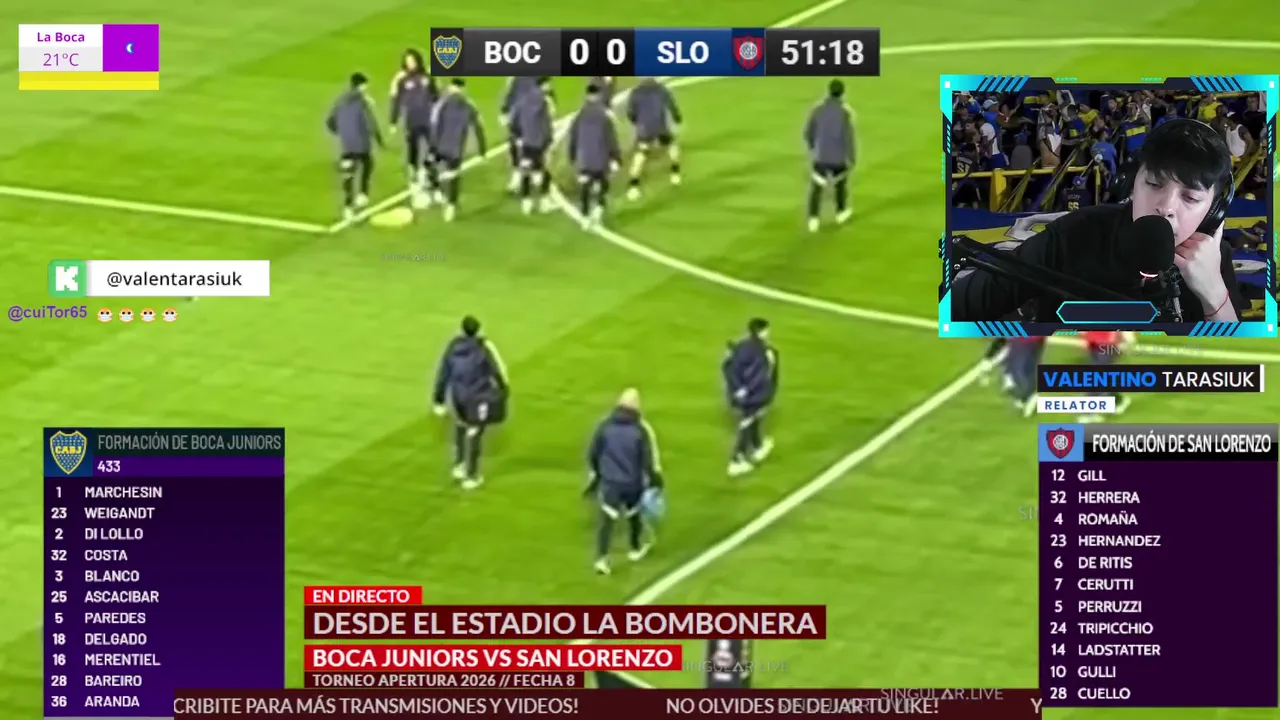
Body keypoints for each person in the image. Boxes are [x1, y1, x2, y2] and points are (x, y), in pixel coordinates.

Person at [950, 119, 1245, 323]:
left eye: (1190, 198)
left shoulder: (1214, 257)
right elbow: (962, 305)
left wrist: (1214, 293)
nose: (1166, 207)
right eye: (1154, 184)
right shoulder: (1074, 233)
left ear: (1214, 209)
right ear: (1131, 183)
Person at [583, 388, 662, 575]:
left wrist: (598, 474)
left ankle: (601, 559)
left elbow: (593, 453)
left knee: (607, 518)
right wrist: (656, 481)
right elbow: (647, 460)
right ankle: (634, 548)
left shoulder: (605, 426)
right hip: (632, 482)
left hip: (610, 482)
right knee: (634, 512)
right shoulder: (640, 430)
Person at [431, 316, 509, 490]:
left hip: (457, 395)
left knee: (460, 425)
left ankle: (459, 464)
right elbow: (497, 370)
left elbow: (444, 371)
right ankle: (471, 475)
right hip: (478, 396)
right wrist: (503, 390)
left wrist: (439, 398)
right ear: (478, 330)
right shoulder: (483, 348)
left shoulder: (453, 346)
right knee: (475, 431)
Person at [722, 318, 779, 477]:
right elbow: (761, 376)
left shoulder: (742, 347)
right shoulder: (764, 351)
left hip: (743, 393)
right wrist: (746, 389)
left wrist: (737, 388)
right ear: (761, 332)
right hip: (754, 395)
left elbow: (727, 367)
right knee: (747, 422)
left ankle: (757, 446)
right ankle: (736, 460)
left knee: (753, 418)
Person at [326, 72, 382, 221]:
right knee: (368, 163)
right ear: (361, 86)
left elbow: (330, 121)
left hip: (346, 144)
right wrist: (379, 140)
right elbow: (371, 123)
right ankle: (362, 194)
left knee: (348, 174)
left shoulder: (340, 100)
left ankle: (348, 207)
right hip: (361, 144)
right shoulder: (362, 102)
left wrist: (341, 132)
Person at [430, 79, 488, 223]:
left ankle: (442, 195)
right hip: (456, 147)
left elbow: (435, 125)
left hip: (441, 145)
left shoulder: (442, 104)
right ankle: (451, 204)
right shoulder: (469, 105)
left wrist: (432, 146)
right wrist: (482, 149)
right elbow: (478, 127)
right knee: (453, 175)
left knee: (439, 171)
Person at [566, 82, 622, 229]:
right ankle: (598, 209)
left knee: (585, 184)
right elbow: (611, 139)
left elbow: (573, 137)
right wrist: (616, 157)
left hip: (584, 158)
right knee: (603, 182)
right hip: (600, 159)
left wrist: (572, 155)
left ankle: (585, 216)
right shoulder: (604, 116)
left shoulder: (579, 116)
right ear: (599, 95)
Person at [388, 49, 439, 209]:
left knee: (433, 152)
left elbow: (436, 96)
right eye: (408, 61)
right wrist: (393, 121)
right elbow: (396, 101)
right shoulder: (401, 79)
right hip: (412, 121)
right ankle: (414, 181)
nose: (411, 64)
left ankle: (434, 185)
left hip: (428, 120)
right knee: (413, 153)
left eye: (413, 60)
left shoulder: (427, 76)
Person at [804, 79, 856, 232]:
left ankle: (813, 219)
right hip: (838, 158)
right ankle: (841, 213)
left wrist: (813, 147)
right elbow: (848, 137)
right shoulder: (845, 112)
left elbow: (808, 132)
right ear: (842, 93)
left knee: (817, 187)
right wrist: (851, 157)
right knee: (840, 184)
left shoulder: (818, 109)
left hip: (821, 156)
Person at [625, 77, 684, 200]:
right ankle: (675, 173)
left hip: (644, 128)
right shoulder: (661, 89)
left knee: (641, 153)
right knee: (671, 145)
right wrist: (677, 118)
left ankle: (634, 185)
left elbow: (630, 112)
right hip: (660, 125)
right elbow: (671, 105)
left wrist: (636, 121)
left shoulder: (635, 92)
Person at [510, 77, 556, 215]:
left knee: (526, 169)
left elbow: (515, 118)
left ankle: (526, 202)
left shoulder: (523, 99)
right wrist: (549, 141)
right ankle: (544, 202)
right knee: (544, 172)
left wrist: (517, 135)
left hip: (525, 142)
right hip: (539, 142)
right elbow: (546, 124)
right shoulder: (544, 101)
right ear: (544, 85)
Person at [1077, 331, 1134, 423]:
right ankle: (1117, 400)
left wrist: (1128, 337)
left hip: (1109, 344)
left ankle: (1088, 413)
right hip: (1093, 342)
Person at [501, 77, 541, 192]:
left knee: (524, 147)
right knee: (518, 146)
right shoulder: (517, 79)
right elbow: (510, 95)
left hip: (526, 118)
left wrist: (505, 110)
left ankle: (529, 175)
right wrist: (505, 110)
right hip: (522, 119)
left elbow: (510, 96)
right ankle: (522, 177)